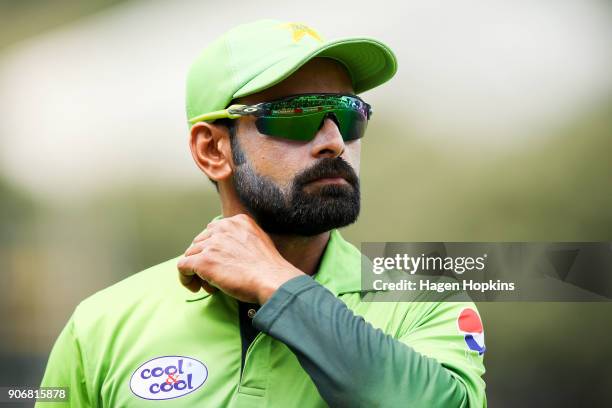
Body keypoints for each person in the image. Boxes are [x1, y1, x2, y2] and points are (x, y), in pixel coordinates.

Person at [38, 20, 486, 407]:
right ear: (213, 150)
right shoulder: (102, 324)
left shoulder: (423, 304)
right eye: (296, 115)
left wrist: (280, 286)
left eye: (349, 115)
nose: (333, 140)